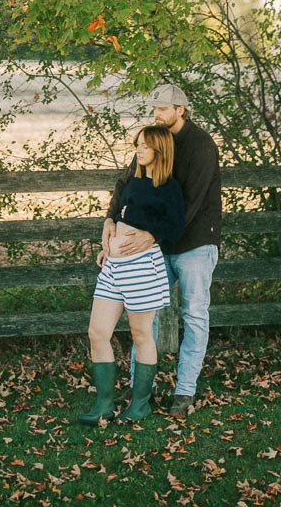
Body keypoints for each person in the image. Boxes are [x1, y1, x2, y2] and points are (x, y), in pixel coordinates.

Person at [103, 84, 221, 415]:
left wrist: (152, 235)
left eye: (163, 109)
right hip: (153, 244)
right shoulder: (155, 137)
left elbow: (192, 203)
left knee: (194, 314)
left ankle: (184, 391)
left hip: (194, 242)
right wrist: (111, 218)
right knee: (144, 312)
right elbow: (128, 181)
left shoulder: (201, 146)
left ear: (181, 110)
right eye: (154, 109)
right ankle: (142, 389)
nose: (156, 114)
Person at [77, 125, 186, 426]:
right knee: (97, 332)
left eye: (145, 146)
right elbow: (119, 213)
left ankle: (140, 405)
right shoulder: (134, 182)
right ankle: (103, 406)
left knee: (141, 335)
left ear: (160, 151)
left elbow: (177, 227)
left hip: (142, 268)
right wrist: (109, 237)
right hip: (113, 266)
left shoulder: (170, 189)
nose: (138, 150)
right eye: (137, 145)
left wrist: (152, 235)